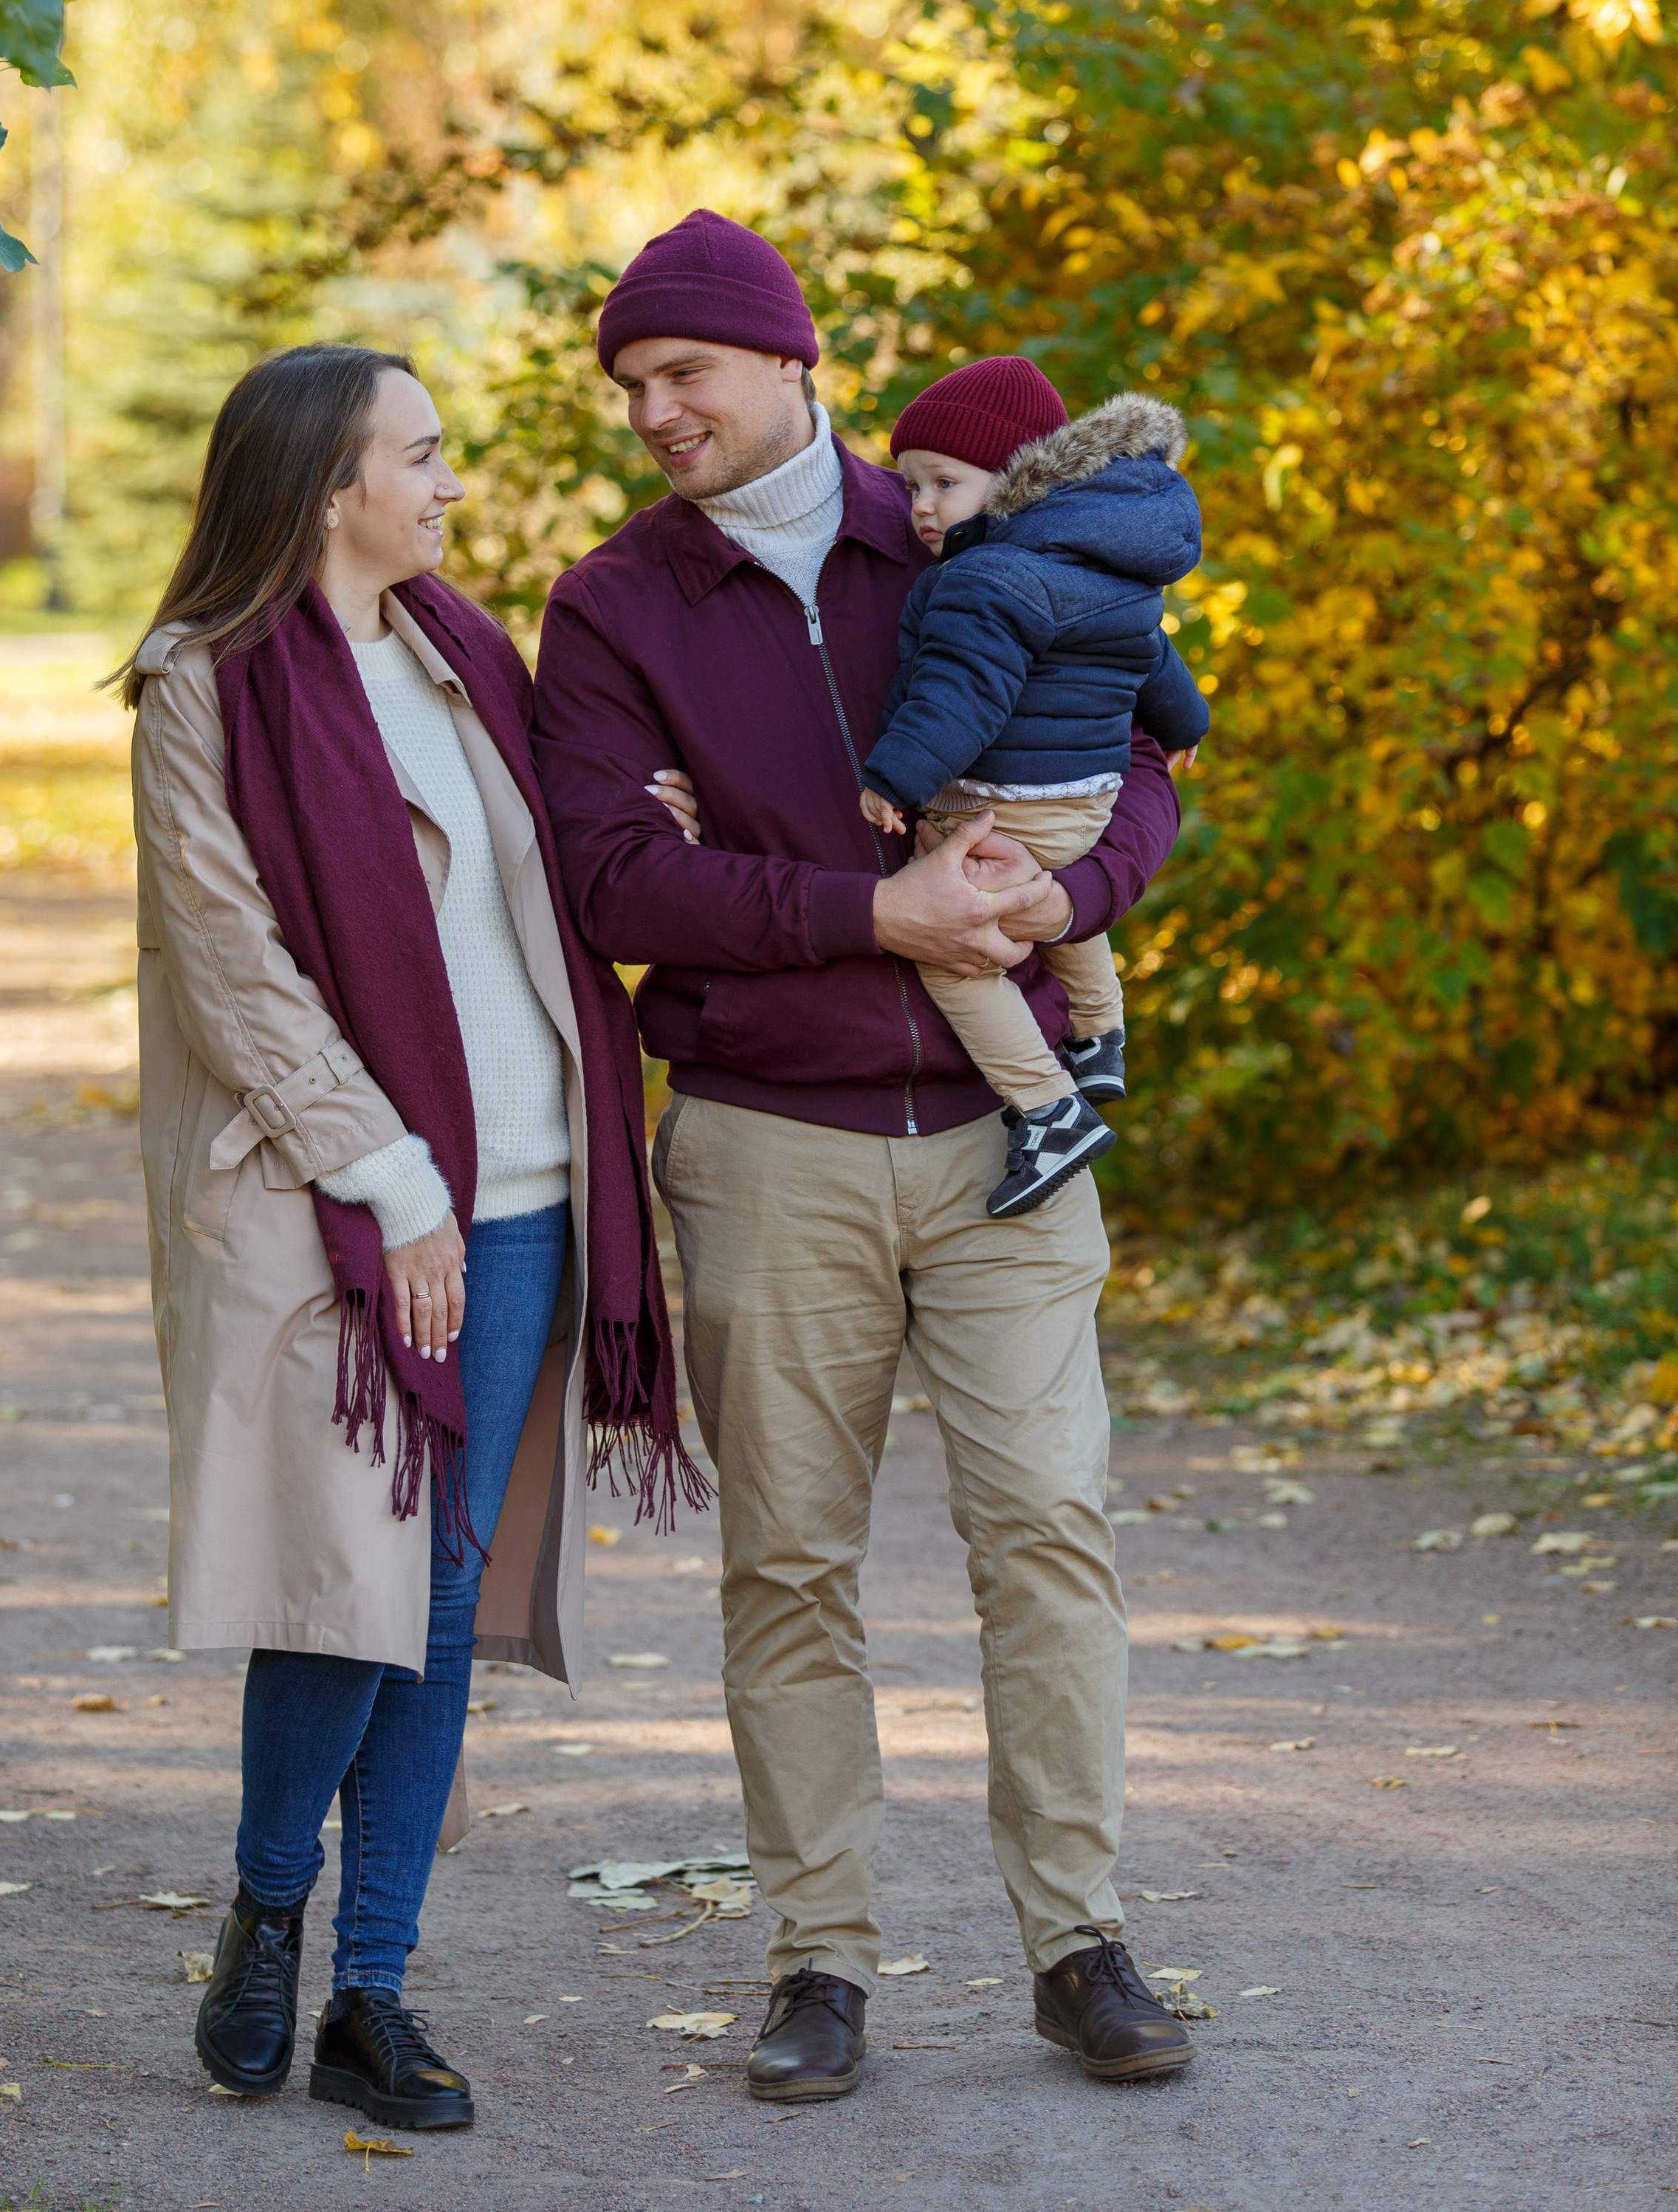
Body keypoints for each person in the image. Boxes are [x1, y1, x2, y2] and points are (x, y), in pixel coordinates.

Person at [531, 210, 1196, 2099]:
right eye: (631, 386)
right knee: (789, 1562)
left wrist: (1071, 886)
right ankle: (817, 1958)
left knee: (1046, 1530)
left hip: (1009, 1129)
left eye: (688, 375)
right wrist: (863, 909)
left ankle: (1076, 1939)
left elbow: (1140, 747)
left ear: (790, 362)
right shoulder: (614, 606)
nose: (655, 412)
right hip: (766, 1141)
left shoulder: (960, 524)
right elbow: (608, 875)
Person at [120, 345, 695, 2136]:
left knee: (437, 1590)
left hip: (525, 1176)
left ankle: (374, 1983)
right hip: (339, 1199)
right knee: (347, 1589)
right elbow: (235, 969)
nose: (448, 483)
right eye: (422, 456)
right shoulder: (200, 689)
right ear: (323, 487)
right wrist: (391, 1175)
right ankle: (267, 1913)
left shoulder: (463, 653)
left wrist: (644, 829)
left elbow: (529, 881)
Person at [859, 354, 1211, 1218]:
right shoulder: (1105, 566)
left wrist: (894, 777)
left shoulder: (983, 579)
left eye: (945, 482)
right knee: (1043, 901)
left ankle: (1049, 1111)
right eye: (910, 488)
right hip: (1084, 803)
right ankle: (1100, 1032)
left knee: (948, 950)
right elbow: (1154, 660)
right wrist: (1185, 729)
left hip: (1005, 802)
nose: (923, 508)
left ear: (1017, 480)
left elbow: (960, 696)